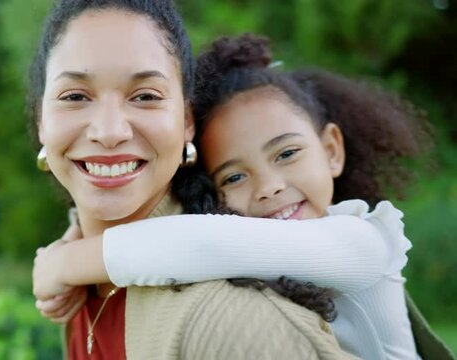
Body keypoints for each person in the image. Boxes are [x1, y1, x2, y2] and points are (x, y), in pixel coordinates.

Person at [33, 34, 455, 359]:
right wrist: (75, 233)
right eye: (234, 177)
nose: (269, 186)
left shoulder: (362, 244)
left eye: (287, 153)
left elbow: (193, 242)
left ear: (331, 150)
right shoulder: (251, 256)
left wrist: (62, 263)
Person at [29, 2, 354, 359]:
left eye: (145, 96)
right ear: (41, 120)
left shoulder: (239, 328)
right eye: (75, 96)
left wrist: (67, 261)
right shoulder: (83, 286)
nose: (109, 132)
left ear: (187, 121)